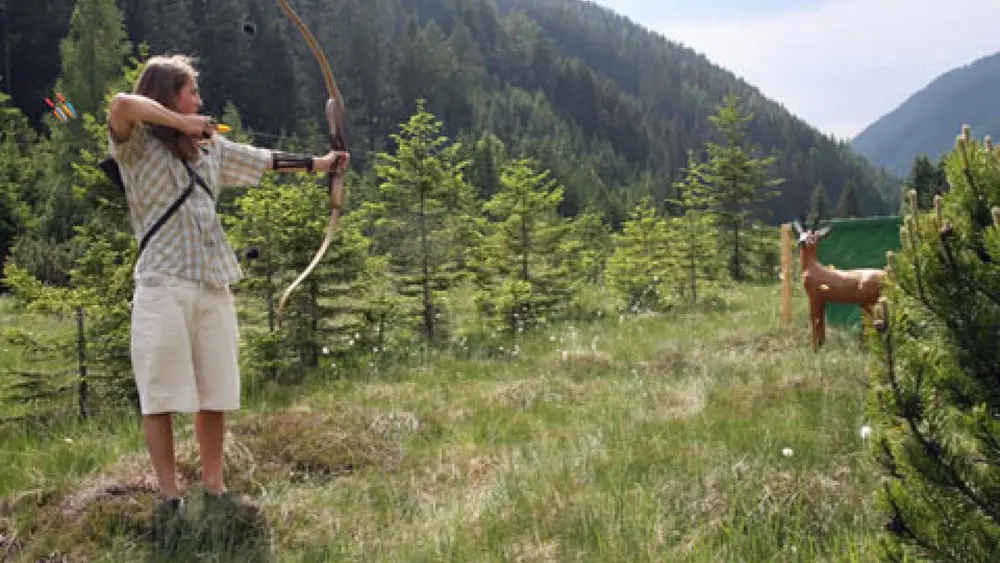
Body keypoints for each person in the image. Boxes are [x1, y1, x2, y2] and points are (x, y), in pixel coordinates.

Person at [105, 54, 348, 519]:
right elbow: (121, 104)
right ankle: (170, 494)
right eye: (191, 91)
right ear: (168, 95)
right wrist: (182, 122)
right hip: (163, 281)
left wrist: (323, 164)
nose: (200, 100)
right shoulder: (135, 146)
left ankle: (214, 487)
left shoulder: (210, 148)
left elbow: (263, 160)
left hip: (213, 280)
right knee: (160, 394)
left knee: (215, 391)